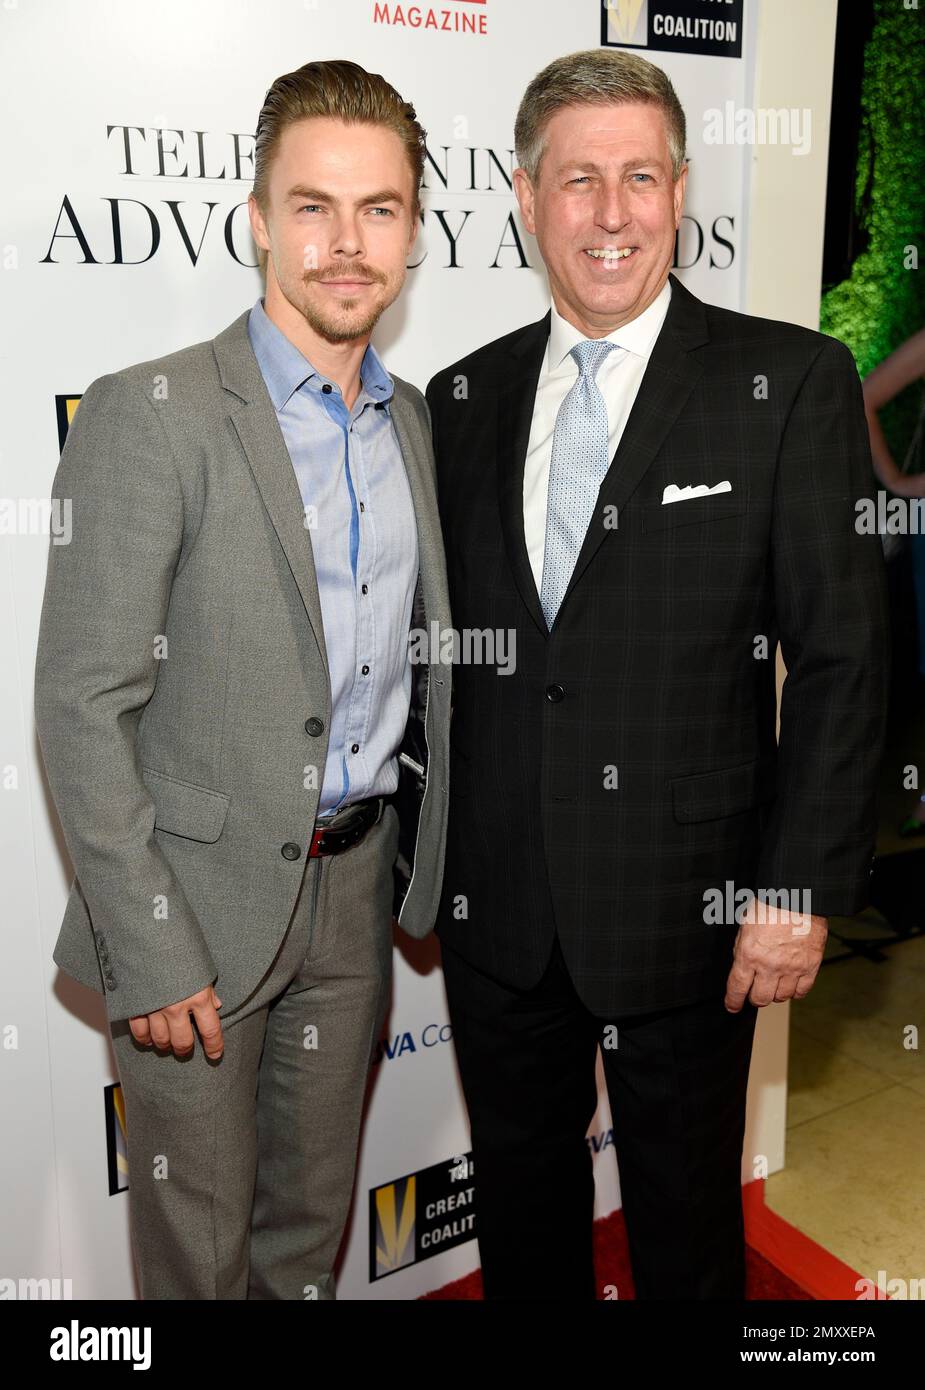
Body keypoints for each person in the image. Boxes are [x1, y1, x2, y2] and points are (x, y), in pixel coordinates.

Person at [425, 48, 890, 1300]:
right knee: (522, 1202)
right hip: (499, 905)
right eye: (578, 180)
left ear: (680, 190)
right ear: (525, 198)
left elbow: (844, 658)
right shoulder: (458, 401)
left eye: (640, 176)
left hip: (692, 913)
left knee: (685, 1222)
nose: (612, 212)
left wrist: (794, 888)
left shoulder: (786, 384)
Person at [34, 59, 450, 1300]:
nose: (345, 242)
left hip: (356, 894)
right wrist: (149, 945)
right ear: (259, 218)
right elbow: (79, 705)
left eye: (378, 209)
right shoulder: (149, 413)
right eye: (312, 206)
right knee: (198, 1259)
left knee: (306, 1237)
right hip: (194, 908)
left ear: (414, 233)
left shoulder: (417, 422)